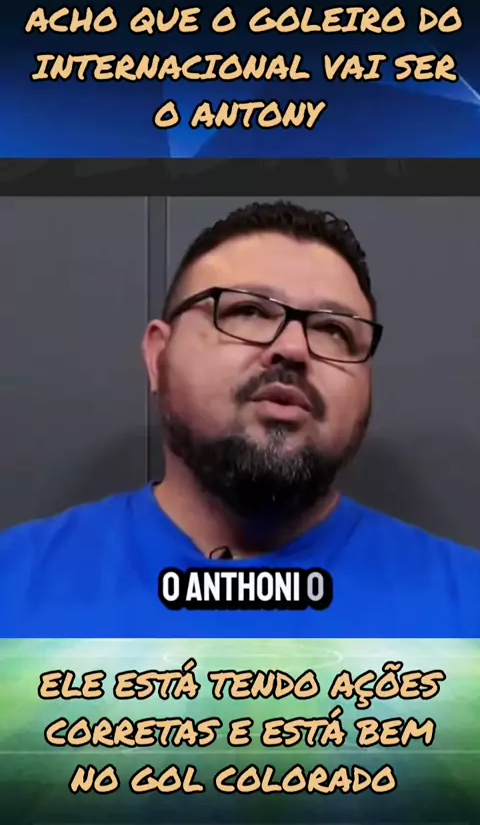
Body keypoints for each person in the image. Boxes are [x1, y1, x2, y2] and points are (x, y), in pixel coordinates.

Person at [1, 200, 479, 637]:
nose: (292, 348)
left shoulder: (464, 612)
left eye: (334, 330)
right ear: (158, 356)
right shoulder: (15, 590)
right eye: (248, 311)